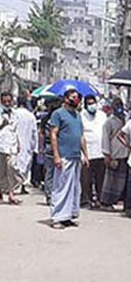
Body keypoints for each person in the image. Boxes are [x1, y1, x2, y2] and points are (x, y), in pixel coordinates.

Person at [49, 89, 90, 228]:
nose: (76, 99)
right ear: (66, 98)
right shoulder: (58, 114)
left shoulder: (77, 115)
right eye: (73, 97)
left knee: (73, 188)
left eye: (77, 97)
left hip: (76, 156)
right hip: (64, 155)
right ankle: (57, 217)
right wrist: (56, 156)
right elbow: (53, 134)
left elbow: (81, 136)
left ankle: (68, 215)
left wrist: (85, 154)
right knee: (61, 186)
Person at [99, 98, 129, 211]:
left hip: (125, 154)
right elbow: (105, 138)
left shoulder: (125, 120)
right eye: (117, 105)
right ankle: (105, 202)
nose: (119, 107)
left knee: (122, 181)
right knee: (110, 181)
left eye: (120, 105)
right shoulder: (109, 122)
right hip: (114, 154)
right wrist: (107, 155)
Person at [80, 95, 107, 208]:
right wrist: (83, 154)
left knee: (101, 178)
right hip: (88, 152)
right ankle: (86, 200)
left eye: (93, 103)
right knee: (86, 179)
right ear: (86, 105)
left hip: (101, 151)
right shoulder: (81, 116)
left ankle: (100, 199)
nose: (92, 106)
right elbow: (80, 135)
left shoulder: (102, 116)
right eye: (89, 104)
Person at [0, 92, 22, 204]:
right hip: (1, 145)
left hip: (11, 146)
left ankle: (11, 193)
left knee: (12, 169)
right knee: (1, 171)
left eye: (9, 101)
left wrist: (19, 143)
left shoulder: (15, 114)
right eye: (5, 102)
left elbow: (15, 130)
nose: (7, 104)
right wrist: (2, 124)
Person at [40, 98, 62, 204]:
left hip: (48, 146)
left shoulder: (45, 119)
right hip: (58, 146)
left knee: (49, 172)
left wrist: (40, 147)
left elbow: (41, 134)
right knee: (59, 172)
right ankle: (55, 195)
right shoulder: (60, 118)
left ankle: (49, 196)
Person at [14, 95, 37, 195]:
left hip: (14, 143)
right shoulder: (31, 116)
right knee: (25, 166)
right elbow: (34, 132)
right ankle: (22, 186)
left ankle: (14, 187)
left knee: (14, 165)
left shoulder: (13, 114)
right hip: (27, 144)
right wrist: (35, 147)